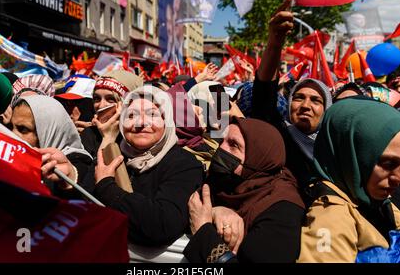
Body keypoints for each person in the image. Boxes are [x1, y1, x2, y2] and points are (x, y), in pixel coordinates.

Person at [93, 86, 203, 246]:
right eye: (131, 115)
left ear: (167, 120)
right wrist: (70, 176)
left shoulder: (185, 165)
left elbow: (162, 225)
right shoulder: (113, 153)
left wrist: (108, 189)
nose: (140, 123)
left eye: (152, 114)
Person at [184, 118, 305, 263]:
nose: (222, 148)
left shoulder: (282, 209)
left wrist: (204, 230)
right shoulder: (222, 181)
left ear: (258, 157)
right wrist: (215, 211)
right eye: (222, 140)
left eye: (234, 145)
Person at [298, 97, 400, 262]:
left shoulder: (379, 203)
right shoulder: (331, 218)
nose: (398, 178)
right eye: (388, 164)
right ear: (350, 156)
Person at [250, 0, 332, 191]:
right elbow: (264, 92)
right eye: (299, 97)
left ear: (328, 109)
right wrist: (275, 43)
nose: (305, 105)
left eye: (316, 100)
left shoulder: (334, 149)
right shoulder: (277, 134)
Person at [10, 95, 94, 197]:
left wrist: (70, 179)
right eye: (11, 126)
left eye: (23, 129)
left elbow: (79, 191)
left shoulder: (79, 162)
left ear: (48, 131)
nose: (12, 135)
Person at [80, 70, 143, 158]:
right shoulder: (89, 134)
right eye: (97, 98)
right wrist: (108, 138)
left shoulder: (143, 133)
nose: (101, 105)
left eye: (111, 99)